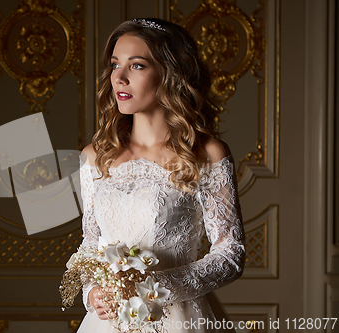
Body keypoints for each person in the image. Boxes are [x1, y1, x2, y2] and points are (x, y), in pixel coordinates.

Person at [73, 18, 245, 333]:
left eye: (136, 66)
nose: (119, 78)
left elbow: (230, 253)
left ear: (170, 74)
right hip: (107, 323)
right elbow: (92, 242)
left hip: (179, 319)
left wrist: (155, 285)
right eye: (114, 65)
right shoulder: (95, 156)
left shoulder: (206, 155)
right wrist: (92, 293)